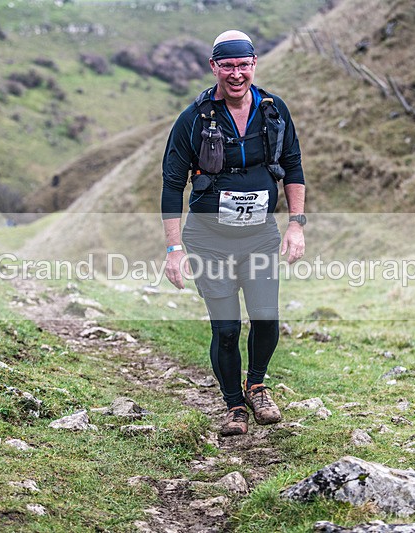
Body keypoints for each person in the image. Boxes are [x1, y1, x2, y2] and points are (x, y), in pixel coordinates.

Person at [161, 30, 306, 436]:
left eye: (243, 65)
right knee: (226, 329)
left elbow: (293, 168)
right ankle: (233, 406)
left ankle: (257, 385)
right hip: (208, 238)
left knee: (265, 317)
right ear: (214, 67)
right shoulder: (194, 119)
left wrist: (296, 224)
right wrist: (174, 248)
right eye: (227, 65)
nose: (236, 73)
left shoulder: (274, 112)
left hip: (259, 234)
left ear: (254, 64)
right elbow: (173, 185)